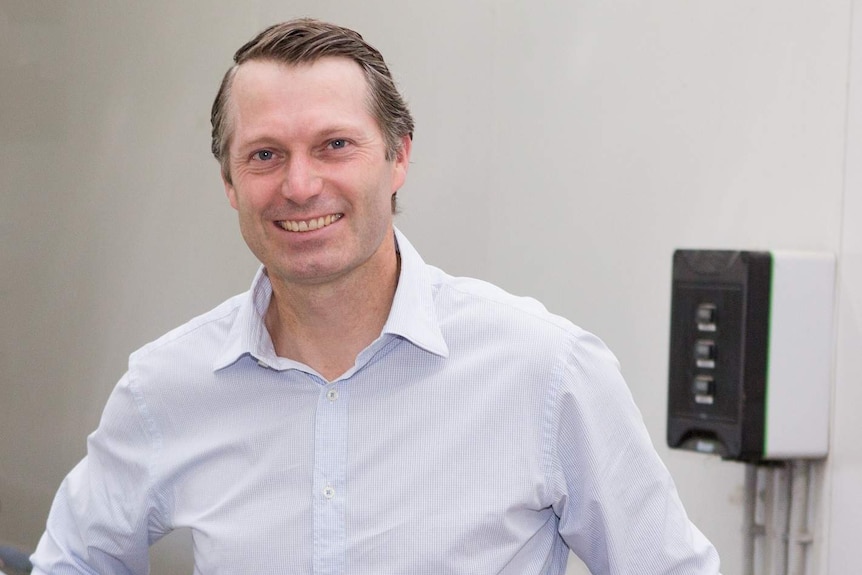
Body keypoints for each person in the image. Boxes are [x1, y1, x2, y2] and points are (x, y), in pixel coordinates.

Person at [31, 18, 720, 574]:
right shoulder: (164, 389)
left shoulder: (545, 370)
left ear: (398, 158)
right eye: (264, 154)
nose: (299, 185)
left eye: (334, 145)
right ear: (230, 184)